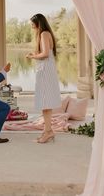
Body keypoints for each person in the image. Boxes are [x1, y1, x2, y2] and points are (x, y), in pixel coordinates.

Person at [26, 13, 61, 143]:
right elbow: (47, 53)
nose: (31, 26)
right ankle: (48, 130)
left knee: (45, 102)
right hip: (45, 69)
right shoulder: (45, 34)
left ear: (37, 23)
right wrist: (36, 54)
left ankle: (48, 131)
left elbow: (46, 54)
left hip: (45, 70)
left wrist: (32, 57)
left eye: (32, 24)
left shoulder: (44, 34)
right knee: (45, 102)